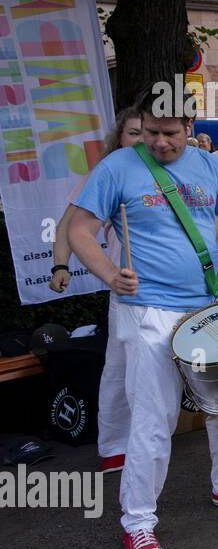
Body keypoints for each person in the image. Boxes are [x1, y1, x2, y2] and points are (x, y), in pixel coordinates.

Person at [66, 108, 218, 549]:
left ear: (189, 128)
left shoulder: (206, 165)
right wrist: (109, 273)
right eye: (151, 133)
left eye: (170, 134)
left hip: (207, 297)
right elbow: (80, 230)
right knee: (154, 415)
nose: (160, 142)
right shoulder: (118, 167)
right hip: (147, 308)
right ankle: (138, 521)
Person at [50, 106, 145, 475]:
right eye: (132, 133)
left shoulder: (174, 173)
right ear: (119, 138)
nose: (140, 140)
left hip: (181, 287)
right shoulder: (106, 175)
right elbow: (68, 227)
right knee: (122, 369)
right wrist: (61, 265)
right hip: (129, 288)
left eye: (145, 132)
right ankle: (118, 445)